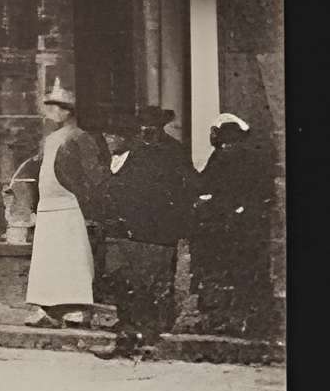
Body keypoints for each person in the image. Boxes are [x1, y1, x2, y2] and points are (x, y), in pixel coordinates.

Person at [98, 108, 190, 355]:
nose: (147, 132)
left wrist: (174, 223)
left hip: (158, 234)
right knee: (125, 286)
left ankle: (149, 340)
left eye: (153, 127)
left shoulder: (175, 152)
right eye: (143, 128)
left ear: (162, 128)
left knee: (152, 289)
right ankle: (126, 338)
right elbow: (116, 183)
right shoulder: (131, 151)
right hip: (128, 231)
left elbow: (186, 189)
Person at [24, 86, 107, 329]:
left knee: (72, 256)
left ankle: (77, 308)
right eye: (49, 106)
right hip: (48, 206)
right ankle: (46, 305)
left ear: (69, 111)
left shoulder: (80, 137)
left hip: (69, 206)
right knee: (48, 257)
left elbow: (91, 175)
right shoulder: (50, 139)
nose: (52, 112)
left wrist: (88, 202)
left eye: (58, 107)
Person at [191, 115, 274, 338]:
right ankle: (244, 323)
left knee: (226, 273)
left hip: (229, 227)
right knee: (244, 275)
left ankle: (227, 321)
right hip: (244, 227)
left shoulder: (224, 157)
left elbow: (206, 184)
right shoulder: (253, 157)